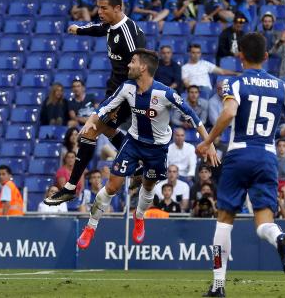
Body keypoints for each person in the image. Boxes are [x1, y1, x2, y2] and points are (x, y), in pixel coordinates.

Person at [195, 33, 285, 296]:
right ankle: (279, 237)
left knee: (224, 221)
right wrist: (274, 134)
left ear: (240, 56)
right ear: (267, 56)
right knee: (263, 223)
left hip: (239, 155)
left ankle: (218, 286)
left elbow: (230, 112)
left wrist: (208, 140)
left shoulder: (235, 83)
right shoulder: (281, 86)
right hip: (267, 156)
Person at [67, 49, 216, 249]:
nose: (128, 65)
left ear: (143, 67)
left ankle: (139, 216)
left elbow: (192, 116)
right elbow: (106, 106)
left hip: (157, 149)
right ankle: (91, 226)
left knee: (147, 187)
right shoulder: (127, 87)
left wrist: (209, 143)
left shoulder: (165, 93)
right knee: (112, 186)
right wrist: (92, 120)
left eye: (133, 62)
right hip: (134, 142)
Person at [45, 0, 146, 205]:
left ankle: (71, 186)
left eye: (104, 8)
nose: (99, 11)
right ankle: (137, 163)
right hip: (115, 89)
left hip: (127, 93)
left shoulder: (130, 35)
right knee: (108, 129)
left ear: (118, 8)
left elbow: (141, 71)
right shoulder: (112, 25)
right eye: (98, 7)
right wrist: (79, 30)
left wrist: (120, 101)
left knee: (90, 131)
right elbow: (101, 29)